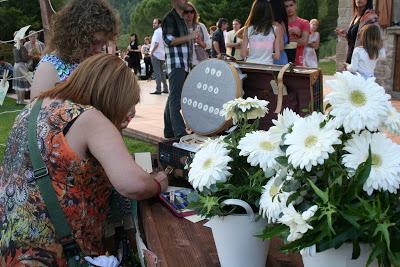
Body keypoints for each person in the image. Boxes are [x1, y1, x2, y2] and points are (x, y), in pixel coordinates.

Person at [0, 54, 169, 266]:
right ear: (110, 95)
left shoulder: (38, 105)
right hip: (59, 255)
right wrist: (158, 182)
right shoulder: (89, 117)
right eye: (128, 103)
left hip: (13, 249)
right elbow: (132, 184)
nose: (132, 112)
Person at [30, 0, 119, 100]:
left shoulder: (85, 62)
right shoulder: (48, 68)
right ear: (75, 36)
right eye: (94, 42)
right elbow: (37, 114)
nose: (99, 49)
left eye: (103, 43)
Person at [162, 0, 196, 138]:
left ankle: (169, 131)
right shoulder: (170, 18)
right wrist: (190, 36)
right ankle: (180, 133)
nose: (186, 1)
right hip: (176, 64)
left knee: (173, 97)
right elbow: (169, 40)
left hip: (182, 64)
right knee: (176, 100)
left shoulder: (181, 19)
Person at [241, 0, 280, 65]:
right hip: (267, 67)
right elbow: (277, 56)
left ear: (254, 12)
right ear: (269, 12)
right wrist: (268, 55)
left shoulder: (248, 29)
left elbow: (243, 54)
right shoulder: (275, 29)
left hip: (250, 66)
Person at [183, 2, 211, 66]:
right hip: (185, 64)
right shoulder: (179, 28)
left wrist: (201, 42)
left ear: (194, 13)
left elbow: (209, 44)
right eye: (186, 12)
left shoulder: (201, 26)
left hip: (201, 63)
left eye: (191, 11)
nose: (189, 14)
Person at [284, 0, 309, 66]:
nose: (289, 8)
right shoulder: (281, 24)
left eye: (291, 5)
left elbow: (304, 42)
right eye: (286, 6)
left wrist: (286, 40)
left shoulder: (304, 23)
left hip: (299, 61)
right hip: (284, 61)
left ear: (296, 6)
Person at [150, 18, 169, 95]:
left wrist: (151, 52)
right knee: (162, 73)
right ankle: (165, 88)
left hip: (156, 55)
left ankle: (158, 89)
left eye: (155, 23)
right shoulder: (163, 31)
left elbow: (156, 44)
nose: (153, 24)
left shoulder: (157, 32)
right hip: (162, 55)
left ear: (159, 24)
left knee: (157, 72)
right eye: (153, 23)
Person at [13, 35, 30, 104]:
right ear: (22, 39)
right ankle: (22, 100)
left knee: (17, 83)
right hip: (21, 66)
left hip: (15, 65)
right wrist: (29, 54)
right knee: (22, 83)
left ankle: (18, 100)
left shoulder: (15, 46)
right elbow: (24, 58)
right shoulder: (22, 47)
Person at [270, 0, 289, 65]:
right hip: (281, 59)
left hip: (277, 60)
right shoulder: (282, 23)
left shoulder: (276, 25)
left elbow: (280, 46)